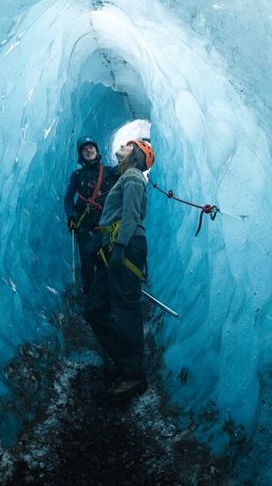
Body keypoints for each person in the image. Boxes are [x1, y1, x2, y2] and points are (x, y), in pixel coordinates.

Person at [83, 139, 155, 402]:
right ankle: (126, 361)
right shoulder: (125, 177)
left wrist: (121, 246)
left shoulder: (134, 176)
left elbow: (131, 214)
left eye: (129, 145)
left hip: (125, 245)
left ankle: (134, 372)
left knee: (126, 308)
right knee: (95, 308)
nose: (123, 146)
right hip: (113, 245)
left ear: (136, 155)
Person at [64, 136, 118, 291]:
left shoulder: (109, 172)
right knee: (87, 258)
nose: (88, 150)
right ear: (81, 155)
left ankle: (107, 290)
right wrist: (70, 216)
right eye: (84, 149)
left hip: (106, 223)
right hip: (84, 223)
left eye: (91, 147)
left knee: (107, 257)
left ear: (97, 150)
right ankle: (90, 292)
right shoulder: (77, 175)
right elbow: (68, 199)